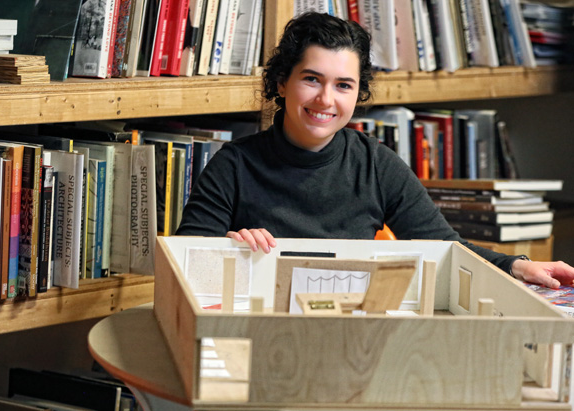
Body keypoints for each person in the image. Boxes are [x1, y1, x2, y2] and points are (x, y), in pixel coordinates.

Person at [176, 12, 574, 289]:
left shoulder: (376, 164)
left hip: (352, 333)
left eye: (344, 85)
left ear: (358, 93)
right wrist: (229, 248)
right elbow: (185, 265)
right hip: (254, 333)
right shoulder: (233, 164)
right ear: (282, 83)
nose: (326, 99)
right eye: (311, 79)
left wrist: (519, 265)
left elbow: (444, 246)